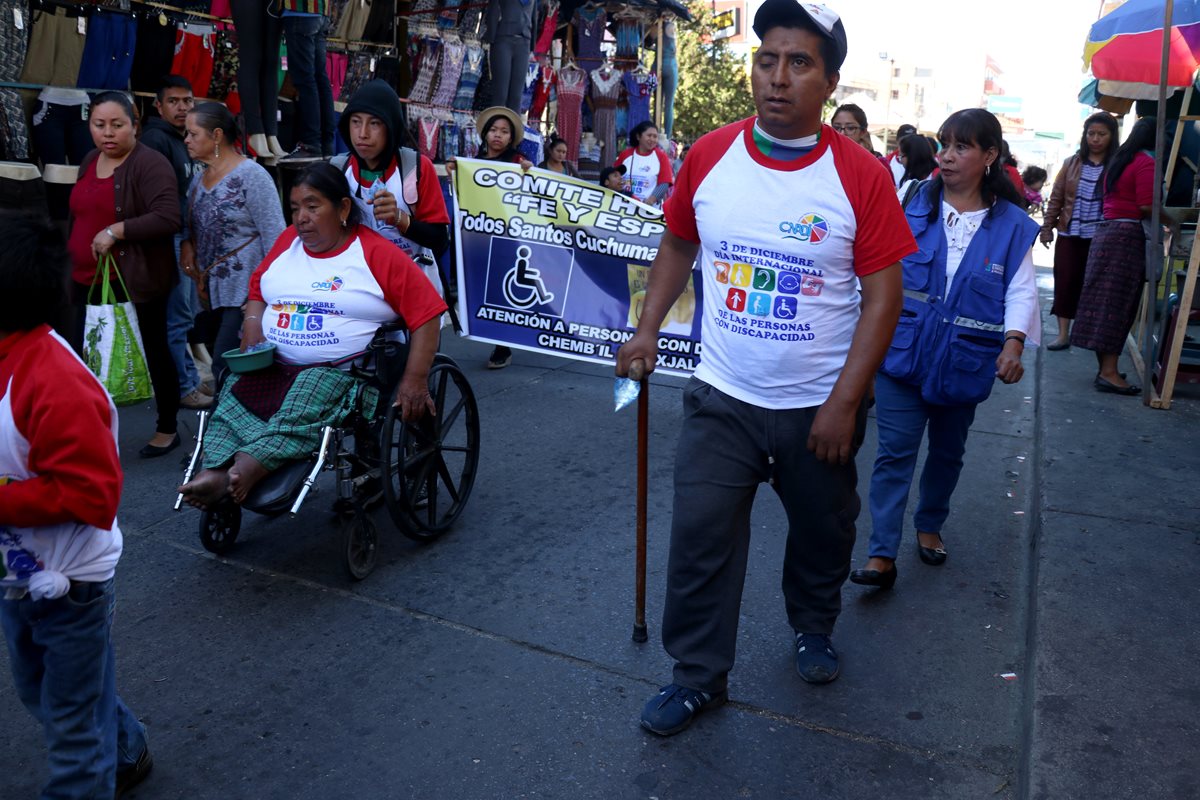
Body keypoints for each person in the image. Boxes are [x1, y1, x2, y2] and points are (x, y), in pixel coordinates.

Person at [617, 0, 913, 736]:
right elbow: (679, 244)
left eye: (799, 63)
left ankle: (813, 624)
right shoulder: (711, 154)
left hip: (820, 405)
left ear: (830, 81)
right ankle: (698, 676)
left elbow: (883, 298)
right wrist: (646, 329)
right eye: (767, 60)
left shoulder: (862, 176)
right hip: (723, 395)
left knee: (823, 528)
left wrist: (845, 402)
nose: (777, 78)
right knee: (701, 535)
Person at [178, 163, 446, 508]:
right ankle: (216, 468)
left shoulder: (375, 253)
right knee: (233, 392)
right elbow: (259, 285)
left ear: (343, 209)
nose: (301, 217)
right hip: (274, 362)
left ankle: (243, 469)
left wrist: (415, 379)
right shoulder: (290, 240)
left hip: (339, 373)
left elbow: (427, 314)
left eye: (312, 206)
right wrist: (253, 323)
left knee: (304, 398)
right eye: (294, 208)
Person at [849, 108, 1040, 590]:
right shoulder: (909, 198)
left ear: (990, 155)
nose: (947, 156)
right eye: (944, 145)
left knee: (947, 453)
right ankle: (881, 554)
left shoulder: (1014, 226)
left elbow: (1020, 291)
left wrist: (1013, 344)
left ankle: (929, 523)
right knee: (894, 452)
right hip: (901, 353)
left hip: (965, 361)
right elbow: (872, 269)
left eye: (962, 147)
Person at [0, 211, 153, 799]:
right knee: (42, 691)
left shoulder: (55, 381)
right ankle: (128, 747)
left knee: (71, 729)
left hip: (72, 583)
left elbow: (92, 495)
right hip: (21, 571)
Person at [66, 91, 183, 458]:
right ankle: (89, 429)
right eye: (99, 125)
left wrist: (116, 230)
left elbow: (168, 216)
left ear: (135, 122)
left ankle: (167, 427)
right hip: (83, 277)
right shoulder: (89, 159)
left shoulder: (150, 163)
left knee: (152, 350)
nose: (108, 133)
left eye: (117, 124)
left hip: (133, 278)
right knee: (85, 356)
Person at [179, 102, 286, 378]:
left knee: (225, 369)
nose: (186, 140)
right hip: (212, 295)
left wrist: (262, 296)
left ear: (216, 135)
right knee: (226, 371)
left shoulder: (252, 176)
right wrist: (187, 244)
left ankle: (220, 421)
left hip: (245, 295)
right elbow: (193, 226)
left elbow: (276, 238)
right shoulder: (198, 180)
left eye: (193, 134)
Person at [337, 80, 452, 311]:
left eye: (375, 123)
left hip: (415, 294)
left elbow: (440, 241)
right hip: (360, 294)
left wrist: (400, 218)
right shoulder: (339, 170)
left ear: (391, 126)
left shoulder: (417, 168)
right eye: (356, 122)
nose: (363, 134)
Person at [1069, 117, 1157, 395]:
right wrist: (1172, 221)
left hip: (1105, 233)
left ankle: (1106, 370)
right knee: (1118, 305)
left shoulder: (1118, 160)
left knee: (1102, 301)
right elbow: (1145, 205)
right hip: (1126, 237)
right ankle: (1108, 373)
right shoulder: (1145, 162)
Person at [140, 75, 210, 410]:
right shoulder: (157, 140)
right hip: (172, 239)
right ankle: (183, 387)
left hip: (187, 237)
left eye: (187, 100)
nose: (182, 107)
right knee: (178, 316)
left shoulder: (186, 139)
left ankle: (189, 381)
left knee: (184, 315)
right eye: (174, 101)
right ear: (159, 105)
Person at [1039, 113, 1119, 350]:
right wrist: (1047, 228)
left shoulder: (1117, 164)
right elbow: (1056, 198)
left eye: (1102, 134)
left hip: (1102, 237)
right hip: (1070, 234)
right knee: (1065, 282)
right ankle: (1063, 334)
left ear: (1112, 136)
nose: (1095, 139)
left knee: (1095, 285)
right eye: (1091, 133)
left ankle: (1088, 335)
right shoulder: (1071, 163)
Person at [470, 106, 531, 369]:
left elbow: (531, 191)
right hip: (479, 234)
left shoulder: (518, 162)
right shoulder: (471, 161)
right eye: (494, 130)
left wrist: (529, 172)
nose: (498, 135)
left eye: (504, 132)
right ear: (485, 134)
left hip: (508, 235)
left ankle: (502, 345)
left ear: (511, 138)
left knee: (501, 288)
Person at [278, 0, 336, 161]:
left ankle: (311, 143)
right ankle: (326, 143)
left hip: (299, 10)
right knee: (319, 78)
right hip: (320, 11)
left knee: (306, 80)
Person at [614, 121, 674, 206]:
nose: (652, 139)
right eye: (649, 136)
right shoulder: (625, 154)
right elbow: (614, 176)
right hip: (623, 205)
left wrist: (651, 200)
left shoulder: (661, 156)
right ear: (638, 136)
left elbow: (664, 183)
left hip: (648, 209)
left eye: (655, 136)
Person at [896, 133, 938, 205]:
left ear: (911, 157)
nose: (900, 161)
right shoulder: (913, 178)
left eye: (901, 156)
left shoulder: (937, 178)